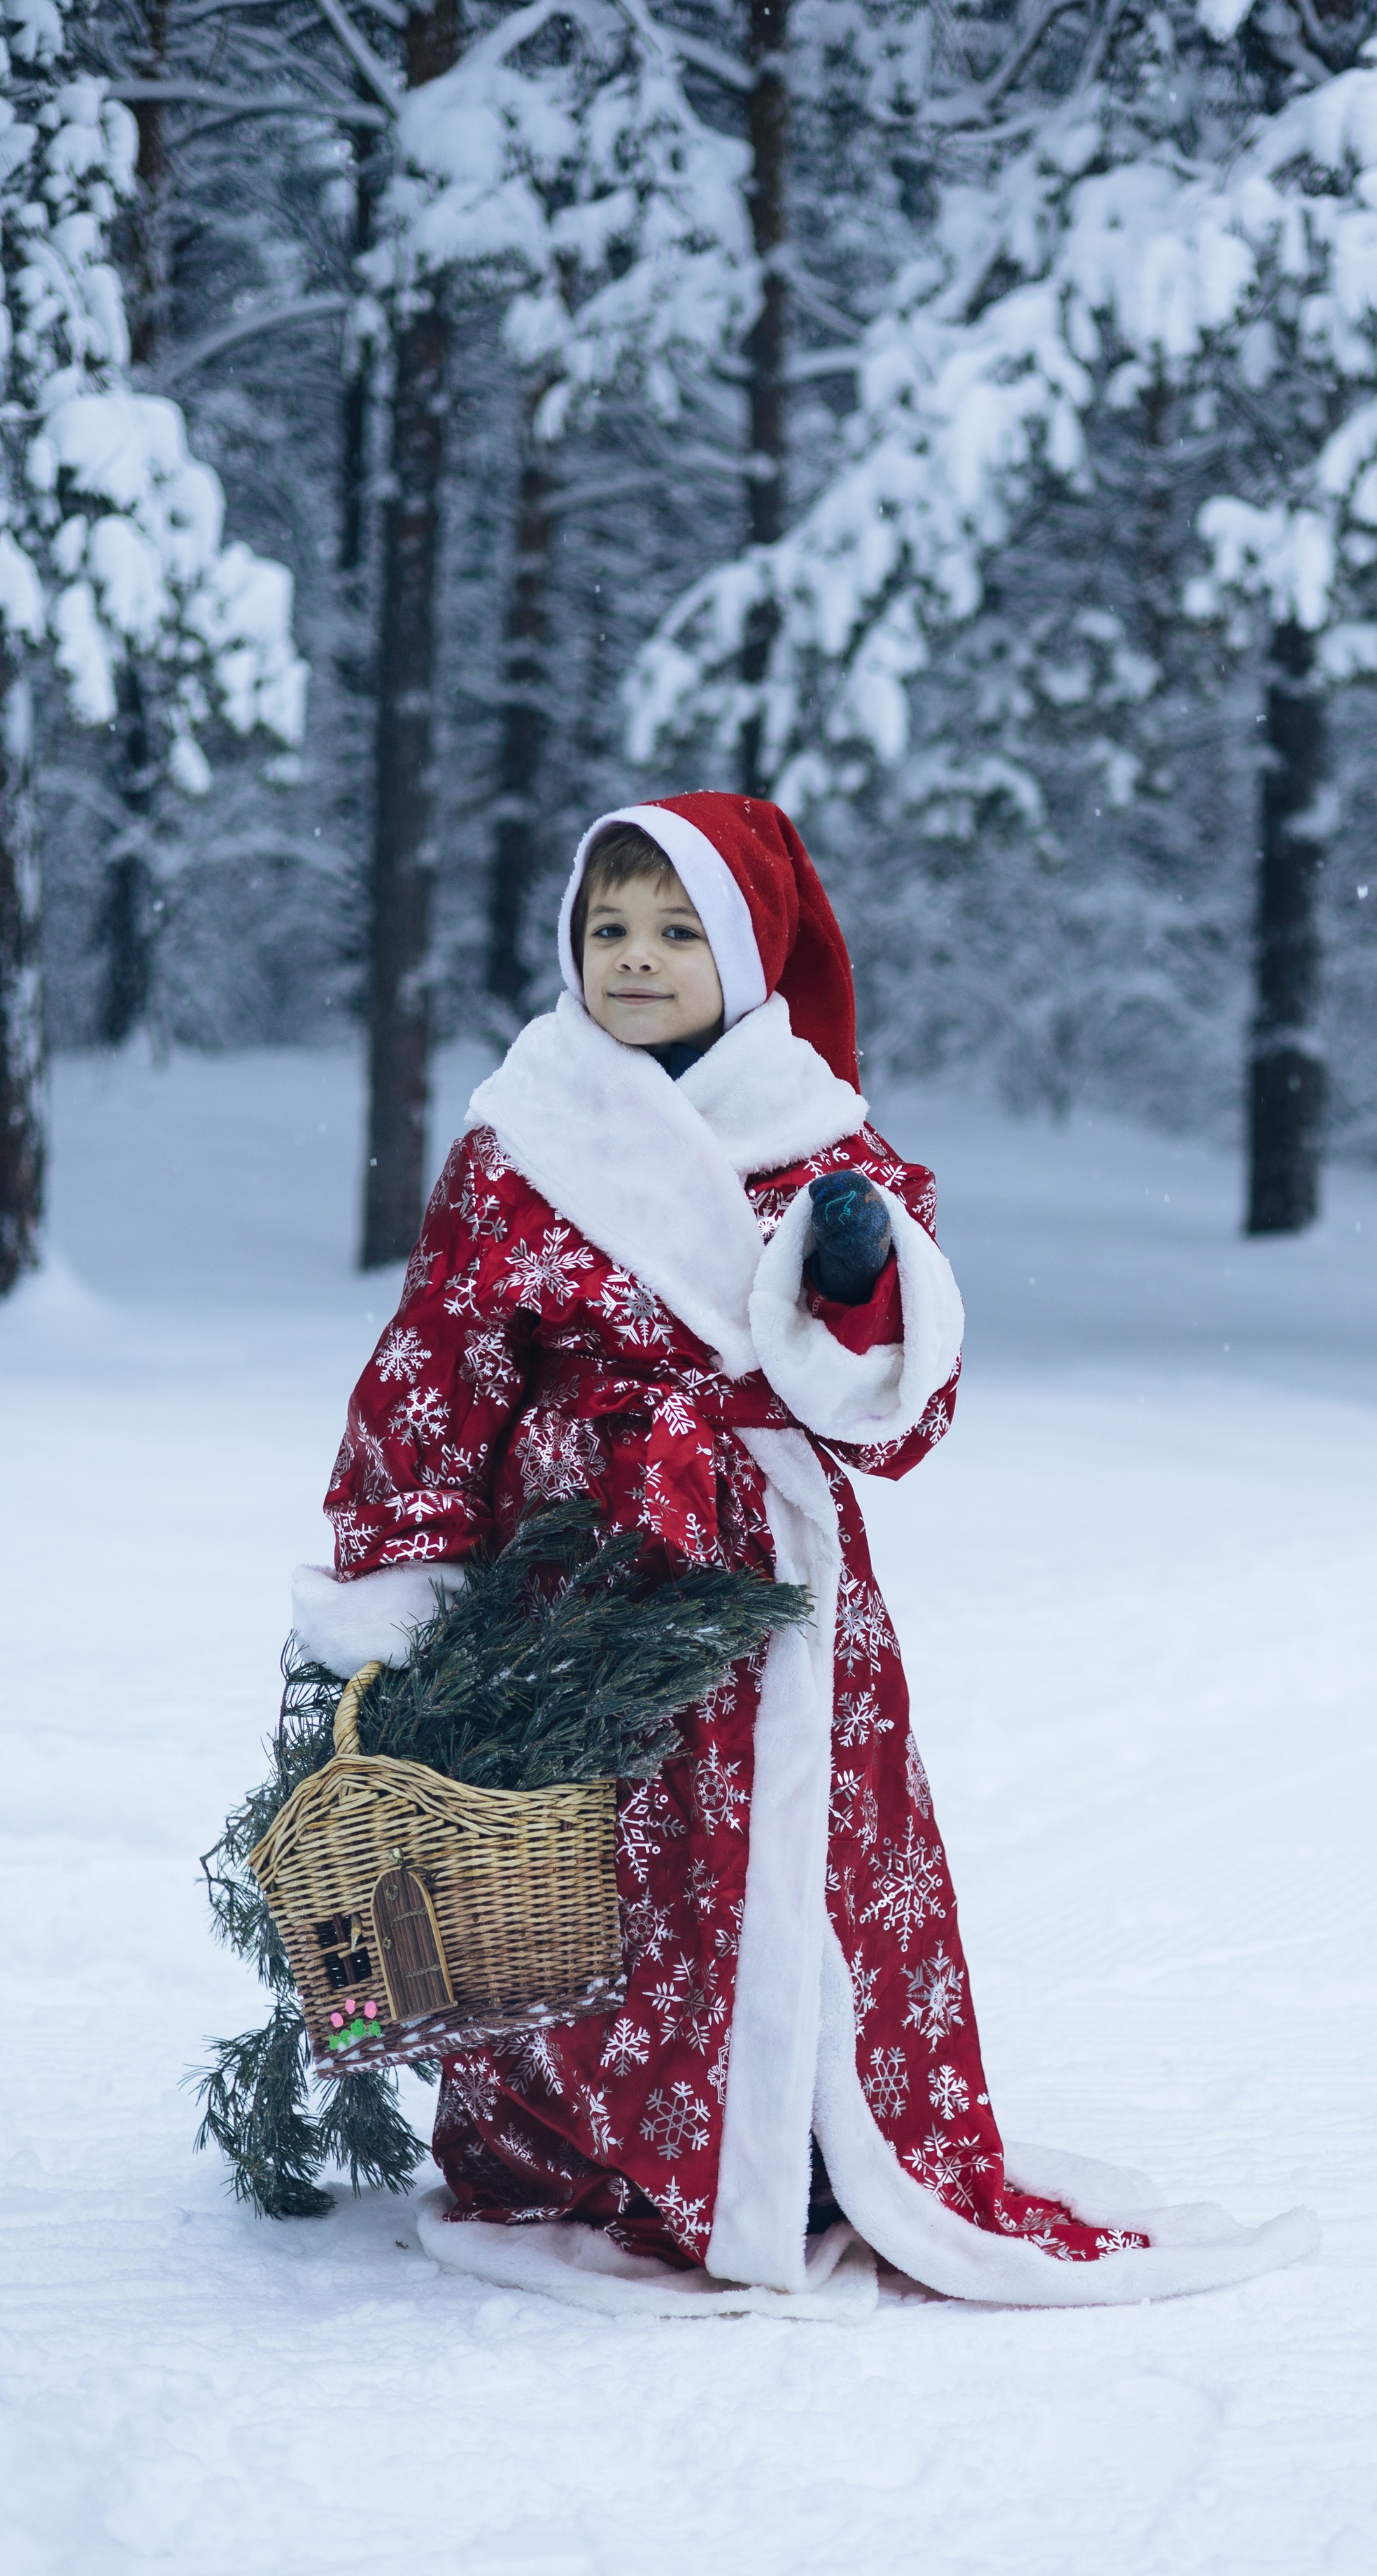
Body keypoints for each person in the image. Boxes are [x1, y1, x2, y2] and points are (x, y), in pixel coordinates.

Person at [294, 794, 1315, 2311]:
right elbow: (436, 1361)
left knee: (805, 1857)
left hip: (762, 1566)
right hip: (570, 1571)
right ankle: (601, 2156)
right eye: (607, 929)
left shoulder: (822, 1140)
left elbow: (892, 1421)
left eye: (675, 932)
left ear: (749, 951)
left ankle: (821, 2146)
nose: (634, 961)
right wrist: (406, 1569)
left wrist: (854, 1288)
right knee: (590, 1861)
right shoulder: (523, 1131)